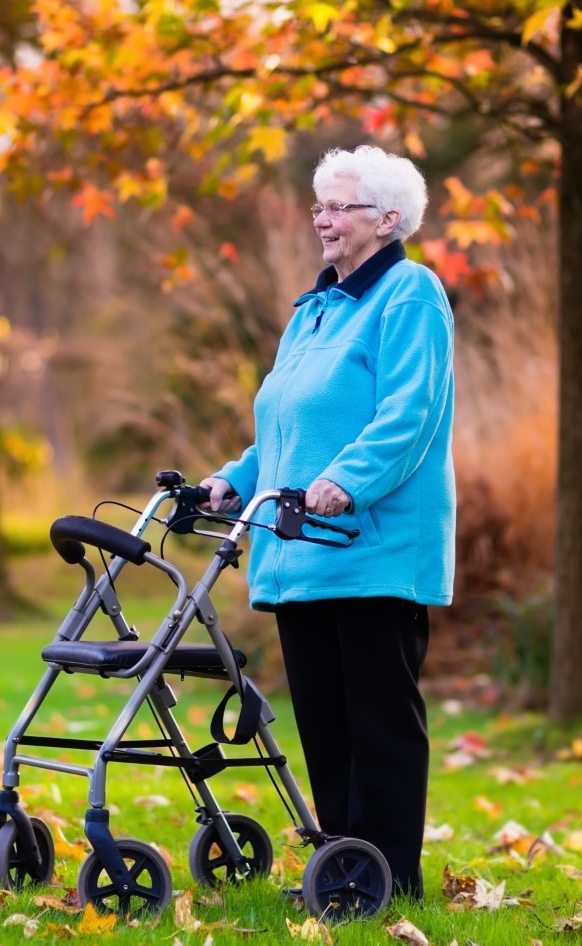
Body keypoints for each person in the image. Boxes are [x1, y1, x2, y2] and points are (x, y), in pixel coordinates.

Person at [198, 144, 456, 899]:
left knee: (378, 727)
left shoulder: (410, 295)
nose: (322, 219)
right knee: (326, 728)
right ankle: (345, 873)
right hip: (300, 550)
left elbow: (409, 415)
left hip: (374, 551)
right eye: (318, 205)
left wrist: (346, 481)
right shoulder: (313, 313)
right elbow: (282, 435)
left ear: (386, 219)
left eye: (337, 206)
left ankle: (391, 879)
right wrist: (231, 482)